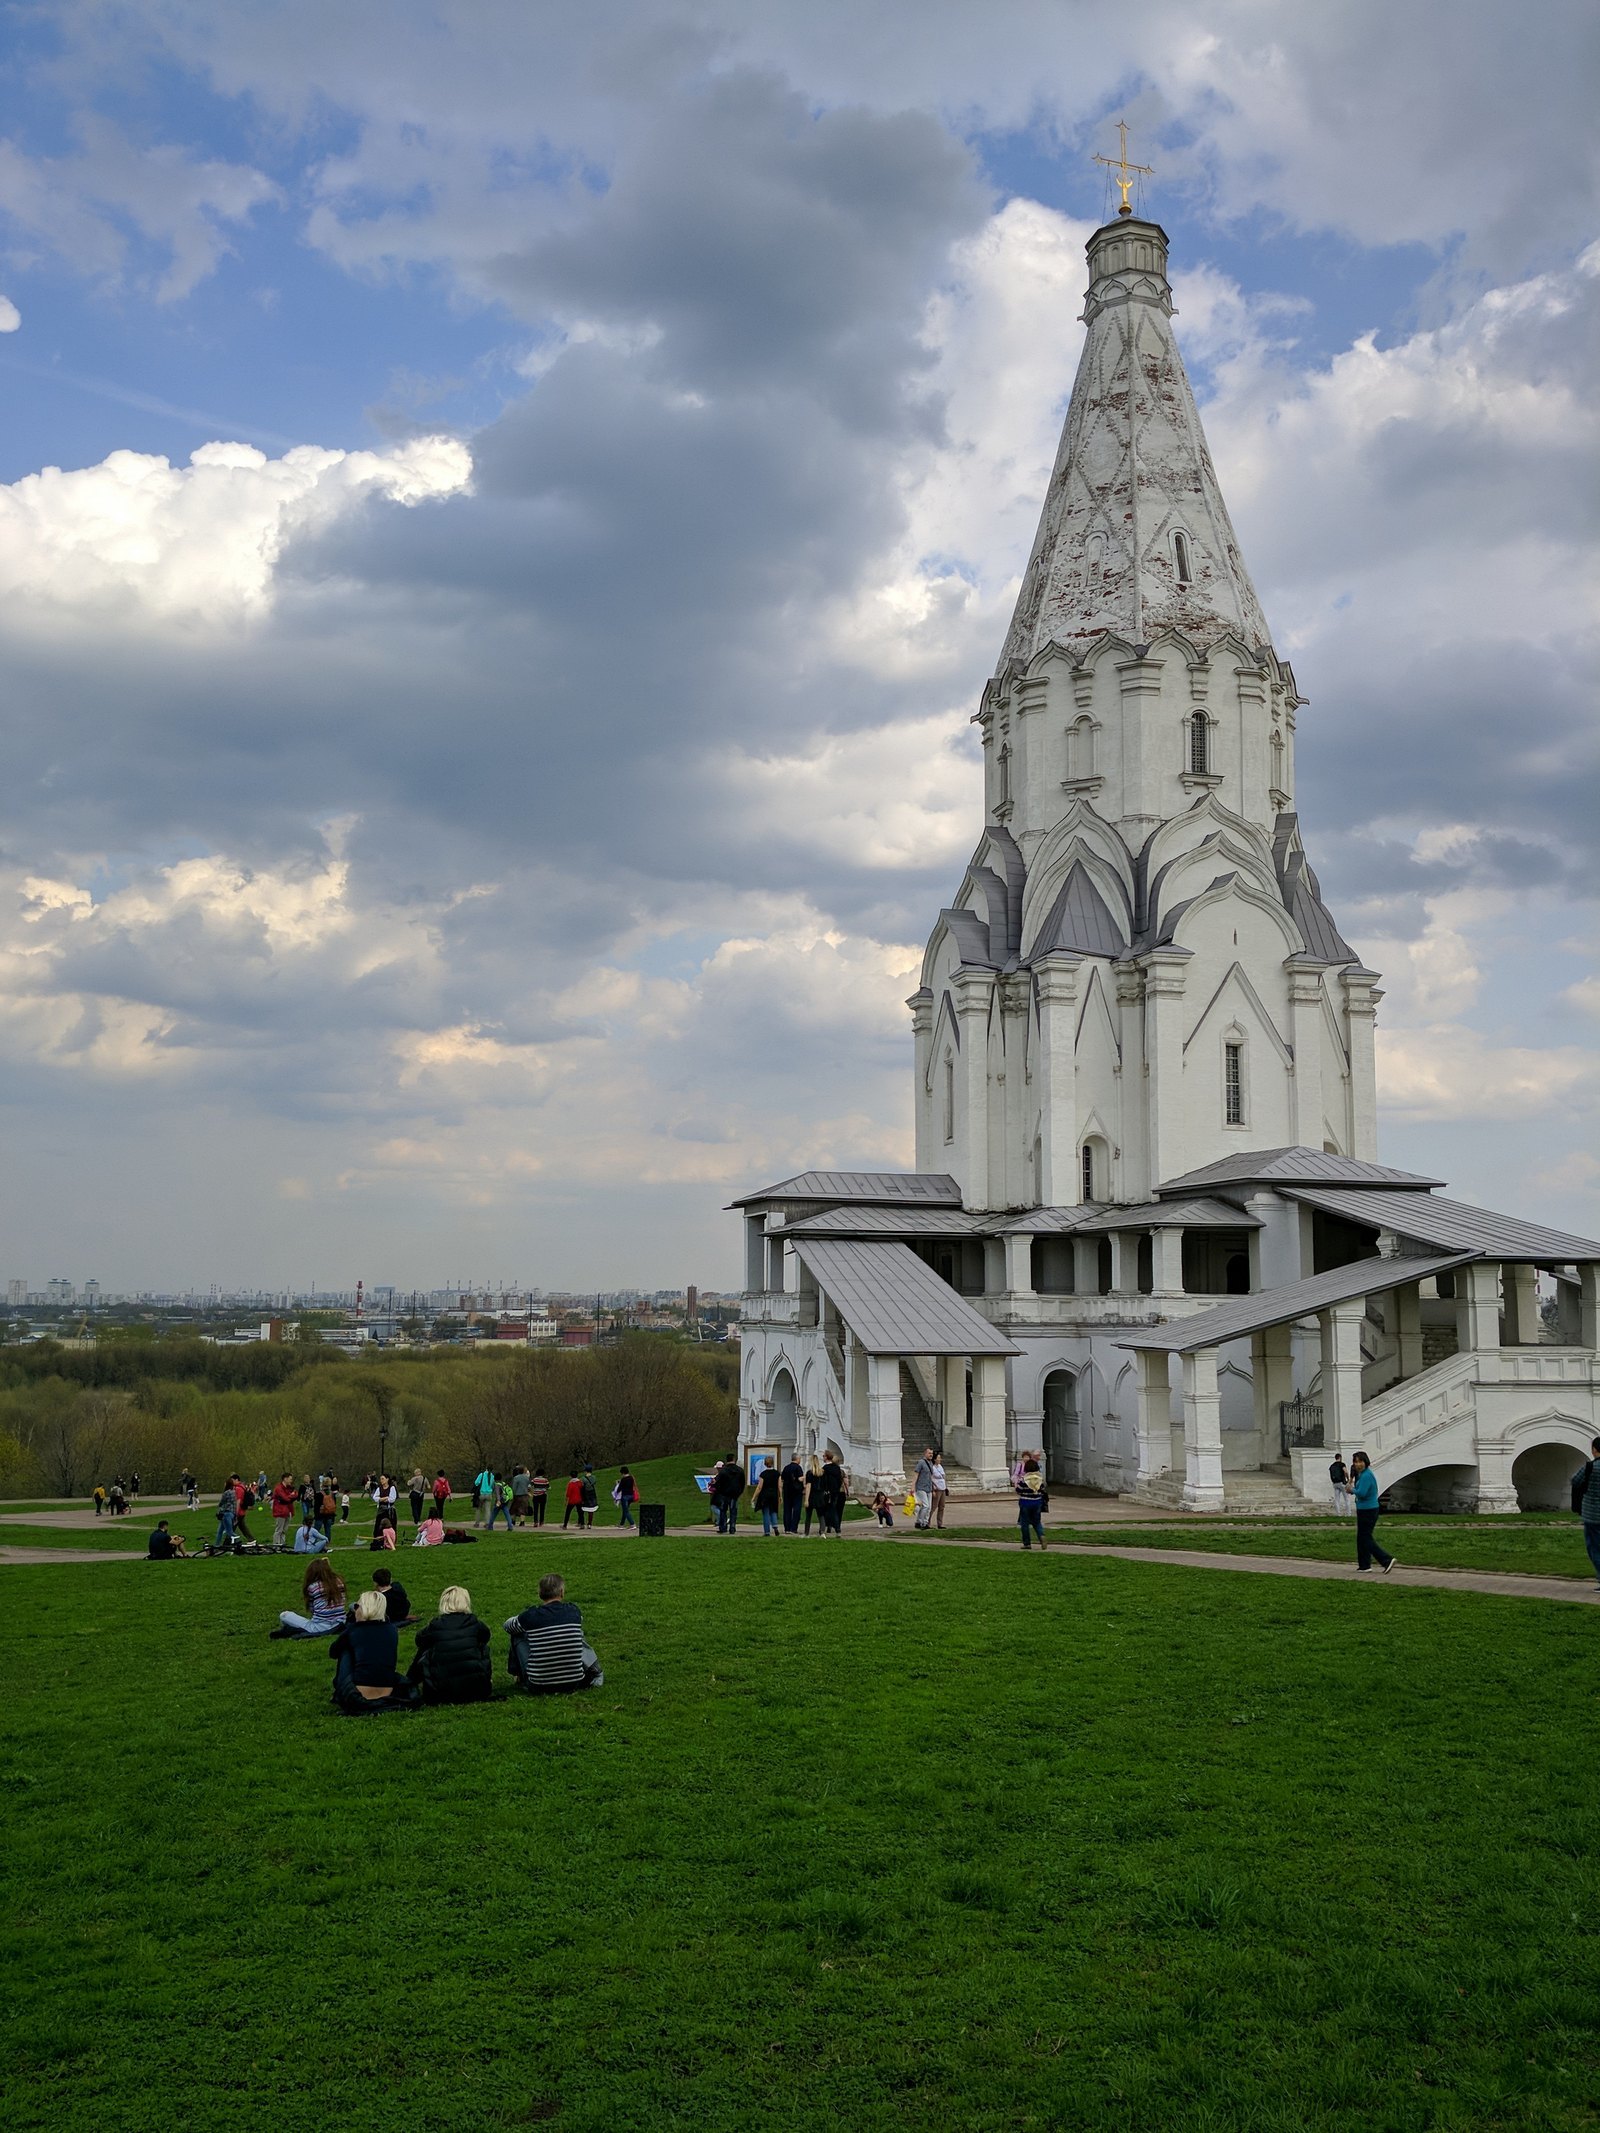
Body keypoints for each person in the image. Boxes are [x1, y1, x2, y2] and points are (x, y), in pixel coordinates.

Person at [505, 1572, 604, 1695]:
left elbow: (507, 1626)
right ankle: (594, 1670)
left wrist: (523, 1620)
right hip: (574, 1683)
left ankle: (518, 1676)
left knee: (517, 1633)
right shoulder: (573, 1611)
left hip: (538, 1686)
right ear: (562, 1592)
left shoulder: (530, 1616)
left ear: (540, 1593)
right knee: (576, 1634)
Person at [329, 1590, 417, 1712]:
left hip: (357, 1693)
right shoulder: (392, 1630)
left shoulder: (353, 1630)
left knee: (345, 1648)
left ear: (363, 1608)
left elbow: (333, 1652)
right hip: (388, 1690)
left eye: (356, 1606)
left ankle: (338, 1693)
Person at [409, 1586, 493, 1703]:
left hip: (440, 1692)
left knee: (426, 1649)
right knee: (481, 1647)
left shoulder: (435, 1626)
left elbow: (419, 1640)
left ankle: (410, 1681)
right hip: (477, 1690)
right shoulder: (475, 1623)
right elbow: (486, 1637)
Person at [274, 1557, 349, 1637]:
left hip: (319, 1627)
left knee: (284, 1615)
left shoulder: (313, 1587)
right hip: (340, 1623)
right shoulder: (339, 1582)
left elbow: (312, 1609)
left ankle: (289, 1629)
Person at [1349, 1451, 1396, 1572]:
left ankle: (1386, 1560)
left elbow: (1362, 1493)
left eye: (1360, 1461)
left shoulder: (1366, 1475)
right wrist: (1353, 1489)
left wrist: (1352, 1489)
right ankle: (1364, 1565)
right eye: (1355, 1462)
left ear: (1366, 1462)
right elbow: (1360, 1490)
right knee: (1361, 1538)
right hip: (1364, 1509)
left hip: (1368, 1510)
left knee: (1365, 1538)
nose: (1358, 1464)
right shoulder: (1362, 1475)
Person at [1571, 1437, 1600, 1585]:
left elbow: (1575, 1480)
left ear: (1594, 1450)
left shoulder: (1590, 1467)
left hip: (1593, 1514)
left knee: (1594, 1547)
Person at [1016, 1456, 1047, 1551]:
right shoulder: (1039, 1480)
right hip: (1037, 1503)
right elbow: (1042, 1490)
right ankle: (1041, 1536)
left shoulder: (1024, 1480)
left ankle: (1027, 1543)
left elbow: (1019, 1490)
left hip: (1025, 1503)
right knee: (1037, 1522)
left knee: (1024, 1524)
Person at [712, 1456, 745, 1535]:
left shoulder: (723, 1471)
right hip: (735, 1494)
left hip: (724, 1494)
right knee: (733, 1511)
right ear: (734, 1460)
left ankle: (723, 1527)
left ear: (726, 1461)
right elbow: (742, 1483)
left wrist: (720, 1491)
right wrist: (739, 1492)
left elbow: (718, 1483)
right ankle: (732, 1527)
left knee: (723, 1511)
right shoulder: (740, 1470)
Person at [817, 1452, 847, 1536]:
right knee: (833, 1509)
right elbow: (839, 1480)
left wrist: (824, 1490)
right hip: (835, 1492)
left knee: (828, 1510)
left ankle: (832, 1527)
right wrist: (836, 1489)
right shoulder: (837, 1468)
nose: (823, 1457)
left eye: (823, 1456)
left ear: (826, 1457)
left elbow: (823, 1481)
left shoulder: (824, 1469)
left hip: (827, 1492)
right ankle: (836, 1528)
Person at [270, 1472, 298, 1552]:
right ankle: (276, 1545)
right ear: (285, 1479)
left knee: (284, 1530)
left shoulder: (289, 1488)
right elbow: (285, 1498)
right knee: (279, 1529)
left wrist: (292, 1496)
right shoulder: (279, 1488)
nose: (291, 1481)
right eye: (290, 1479)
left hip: (288, 1511)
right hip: (280, 1511)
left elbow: (295, 1494)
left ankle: (282, 1544)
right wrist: (291, 1496)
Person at [753, 1462, 781, 1536]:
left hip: (765, 1495)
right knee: (773, 1510)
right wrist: (780, 1496)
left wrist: (754, 1497)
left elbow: (759, 1487)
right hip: (774, 1495)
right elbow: (779, 1486)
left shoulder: (763, 1474)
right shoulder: (777, 1473)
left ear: (765, 1464)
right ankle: (775, 1525)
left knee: (766, 1513)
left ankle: (767, 1532)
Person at [912, 1447, 937, 1530]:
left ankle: (923, 1523)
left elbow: (931, 1477)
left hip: (929, 1488)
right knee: (925, 1506)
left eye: (932, 1453)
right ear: (925, 1453)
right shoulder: (921, 1462)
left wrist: (933, 1488)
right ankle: (921, 1522)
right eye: (929, 1453)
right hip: (921, 1487)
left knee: (929, 1507)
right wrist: (913, 1487)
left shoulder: (931, 1463)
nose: (931, 1455)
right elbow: (916, 1474)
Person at [780, 1454, 806, 1535]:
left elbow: (782, 1479)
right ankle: (793, 1528)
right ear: (797, 1459)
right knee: (796, 1509)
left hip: (787, 1491)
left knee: (787, 1509)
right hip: (797, 1491)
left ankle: (787, 1528)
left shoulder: (786, 1468)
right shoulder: (798, 1468)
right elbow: (800, 1479)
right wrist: (805, 1478)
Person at [213, 1480, 238, 1551]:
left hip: (226, 1514)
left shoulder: (226, 1493)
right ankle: (216, 1546)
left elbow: (222, 1502)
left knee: (230, 1532)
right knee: (220, 1531)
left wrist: (218, 1507)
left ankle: (238, 1543)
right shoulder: (234, 1492)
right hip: (232, 1513)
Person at [803, 1459, 825, 1537]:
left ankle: (806, 1533)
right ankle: (822, 1532)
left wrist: (806, 1499)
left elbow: (808, 1486)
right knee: (821, 1515)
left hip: (812, 1495)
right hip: (820, 1495)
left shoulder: (809, 1473)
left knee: (808, 1515)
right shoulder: (822, 1473)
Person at [930, 1454, 949, 1530]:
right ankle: (927, 1522)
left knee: (942, 1506)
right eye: (938, 1458)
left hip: (942, 1488)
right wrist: (932, 1488)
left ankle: (940, 1523)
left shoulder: (940, 1467)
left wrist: (946, 1487)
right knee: (933, 1506)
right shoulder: (932, 1467)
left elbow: (943, 1477)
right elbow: (930, 1478)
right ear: (935, 1459)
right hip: (936, 1488)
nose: (940, 1459)